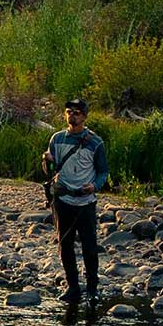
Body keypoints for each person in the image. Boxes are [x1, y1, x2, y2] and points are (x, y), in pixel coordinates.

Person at [42, 98, 109, 310]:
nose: (73, 115)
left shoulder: (96, 142)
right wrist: (47, 161)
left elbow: (103, 171)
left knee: (90, 247)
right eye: (69, 112)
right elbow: (50, 171)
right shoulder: (57, 138)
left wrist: (95, 186)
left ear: (85, 117)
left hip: (85, 200)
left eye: (78, 112)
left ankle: (92, 290)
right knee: (65, 245)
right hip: (62, 199)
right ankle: (73, 287)